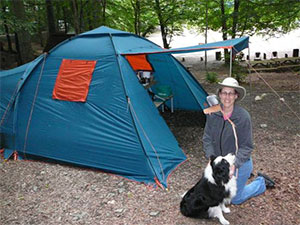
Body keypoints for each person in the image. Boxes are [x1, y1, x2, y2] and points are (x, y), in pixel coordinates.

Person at [202, 77, 275, 205]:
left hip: (239, 163)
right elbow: (207, 138)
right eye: (224, 92)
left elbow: (246, 147)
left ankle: (261, 182)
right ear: (219, 94)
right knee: (214, 193)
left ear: (236, 96)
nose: (227, 97)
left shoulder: (242, 117)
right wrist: (211, 158)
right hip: (221, 163)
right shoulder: (213, 114)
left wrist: (234, 165)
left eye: (231, 93)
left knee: (235, 199)